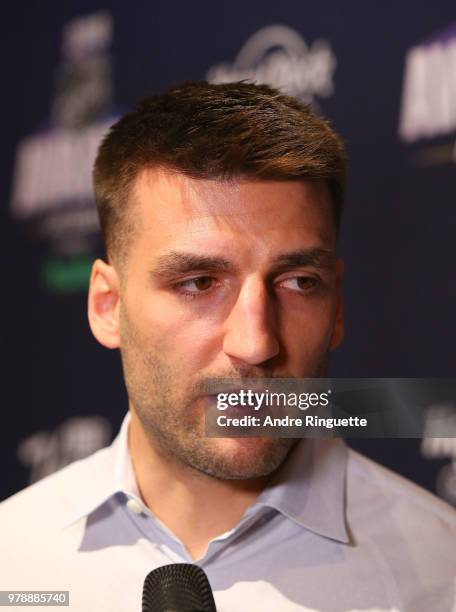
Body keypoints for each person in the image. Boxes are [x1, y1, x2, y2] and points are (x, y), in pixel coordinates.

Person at [1, 81, 455, 612]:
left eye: (299, 282)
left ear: (337, 308)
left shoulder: (441, 571)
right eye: (198, 282)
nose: (256, 343)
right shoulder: (14, 558)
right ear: (108, 306)